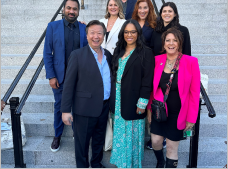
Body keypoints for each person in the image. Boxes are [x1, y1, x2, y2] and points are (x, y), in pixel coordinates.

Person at [61, 20, 112, 168]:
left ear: (104, 35)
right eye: (92, 33)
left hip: (104, 107)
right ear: (87, 35)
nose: (96, 36)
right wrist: (65, 110)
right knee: (82, 143)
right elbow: (68, 84)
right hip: (84, 109)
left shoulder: (108, 54)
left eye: (99, 33)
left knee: (98, 140)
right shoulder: (77, 55)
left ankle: (96, 163)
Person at [147, 27, 200, 168]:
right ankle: (160, 161)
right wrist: (149, 110)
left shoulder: (191, 62)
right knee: (156, 141)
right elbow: (152, 89)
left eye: (174, 40)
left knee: (171, 147)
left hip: (178, 113)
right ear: (163, 44)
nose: (171, 43)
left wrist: (191, 118)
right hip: (159, 110)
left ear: (179, 43)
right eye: (168, 40)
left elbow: (194, 92)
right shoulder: (156, 60)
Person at [43, 0, 88, 152]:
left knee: (78, 106)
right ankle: (57, 135)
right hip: (59, 77)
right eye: (68, 8)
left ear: (78, 11)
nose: (71, 11)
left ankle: (77, 132)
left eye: (74, 9)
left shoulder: (84, 28)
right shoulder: (52, 27)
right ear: (63, 9)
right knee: (59, 106)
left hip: (79, 77)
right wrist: (51, 76)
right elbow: (47, 53)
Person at [109, 19, 155, 168]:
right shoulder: (119, 50)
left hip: (134, 101)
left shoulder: (146, 52)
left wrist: (142, 102)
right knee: (120, 137)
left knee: (131, 138)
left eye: (133, 32)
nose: (129, 35)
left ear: (138, 33)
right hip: (118, 100)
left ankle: (131, 165)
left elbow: (147, 80)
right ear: (123, 34)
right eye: (126, 32)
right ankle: (122, 164)